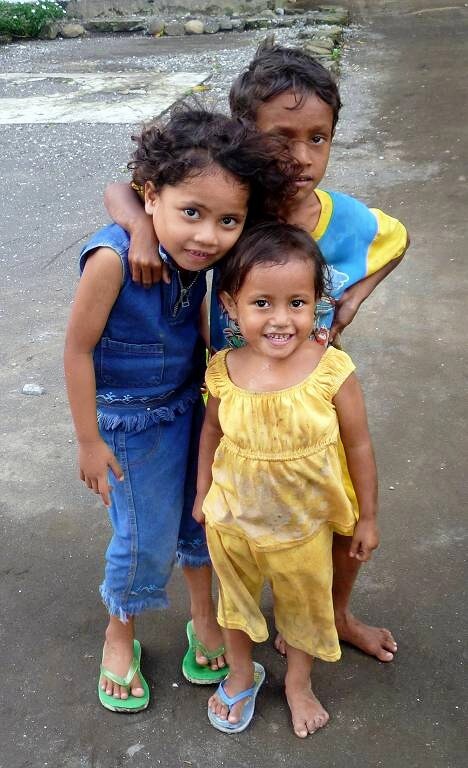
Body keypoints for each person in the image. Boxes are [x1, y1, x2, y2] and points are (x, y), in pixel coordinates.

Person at [103, 42, 407, 663]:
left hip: (312, 401)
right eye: (281, 138)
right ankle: (235, 616)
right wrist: (139, 229)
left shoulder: (344, 219)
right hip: (232, 397)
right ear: (245, 136)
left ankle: (334, 614)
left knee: (341, 509)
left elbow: (397, 239)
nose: (301, 157)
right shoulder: (230, 202)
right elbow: (125, 189)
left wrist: (352, 299)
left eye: (318, 138)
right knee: (230, 513)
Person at [64, 107, 298, 713]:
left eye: (227, 221)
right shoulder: (114, 259)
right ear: (152, 198)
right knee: (144, 537)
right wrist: (88, 441)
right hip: (130, 423)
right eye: (191, 213)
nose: (207, 235)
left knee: (202, 520)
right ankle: (120, 632)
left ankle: (203, 615)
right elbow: (78, 349)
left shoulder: (208, 255)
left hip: (193, 407)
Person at [192, 222, 379, 737]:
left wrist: (367, 516)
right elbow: (211, 433)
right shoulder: (223, 370)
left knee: (302, 609)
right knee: (234, 605)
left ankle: (298, 682)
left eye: (297, 303)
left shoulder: (331, 371)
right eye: (262, 303)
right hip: (233, 522)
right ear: (230, 306)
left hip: (303, 528)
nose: (280, 319)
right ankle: (240, 673)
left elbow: (359, 445)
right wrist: (203, 493)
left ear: (318, 303)